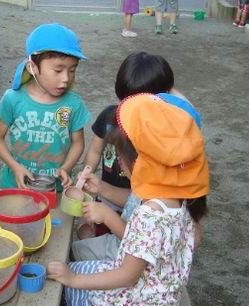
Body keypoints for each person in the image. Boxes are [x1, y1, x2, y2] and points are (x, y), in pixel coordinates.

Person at [47, 93, 210, 306]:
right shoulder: (183, 196)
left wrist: (74, 279)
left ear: (142, 162)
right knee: (79, 269)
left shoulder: (150, 213)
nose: (121, 167)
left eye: (122, 159)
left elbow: (127, 274)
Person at [73, 51, 202, 262]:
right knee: (92, 239)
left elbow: (139, 245)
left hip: (132, 262)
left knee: (81, 251)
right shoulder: (165, 161)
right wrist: (100, 189)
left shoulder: (157, 194)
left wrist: (107, 216)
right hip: (125, 217)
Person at [0, 23, 91, 192]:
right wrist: (14, 166)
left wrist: (66, 167)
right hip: (16, 186)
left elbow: (78, 143)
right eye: (58, 70)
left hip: (55, 188)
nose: (66, 78)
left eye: (72, 70)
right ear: (32, 68)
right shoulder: (12, 100)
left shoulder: (73, 104)